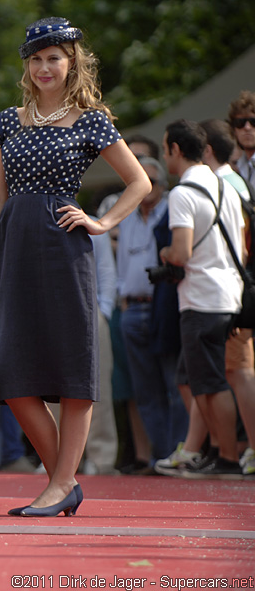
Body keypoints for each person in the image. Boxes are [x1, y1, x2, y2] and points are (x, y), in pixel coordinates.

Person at [0, 17, 149, 516]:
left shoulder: (91, 120)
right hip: (15, 247)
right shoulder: (8, 121)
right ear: (27, 67)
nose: (44, 66)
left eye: (54, 57)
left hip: (65, 248)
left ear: (71, 62)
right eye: (35, 58)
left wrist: (102, 221)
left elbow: (139, 182)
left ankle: (58, 485)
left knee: (74, 366)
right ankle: (65, 479)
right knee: (12, 372)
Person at [159, 119, 245, 478]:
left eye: (165, 150)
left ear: (176, 150)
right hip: (228, 292)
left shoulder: (182, 192)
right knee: (203, 381)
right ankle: (217, 452)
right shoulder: (223, 185)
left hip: (201, 297)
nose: (166, 158)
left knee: (210, 384)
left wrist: (165, 254)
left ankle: (227, 457)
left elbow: (181, 252)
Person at [115, 156, 188, 464]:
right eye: (138, 182)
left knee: (174, 385)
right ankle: (161, 458)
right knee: (144, 391)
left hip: (163, 307)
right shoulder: (126, 213)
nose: (144, 189)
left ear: (162, 185)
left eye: (151, 183)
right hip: (131, 310)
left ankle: (181, 453)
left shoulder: (173, 208)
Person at [229, 91, 255, 190]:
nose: (247, 127)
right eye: (240, 123)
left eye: (253, 122)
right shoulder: (238, 165)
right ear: (234, 129)